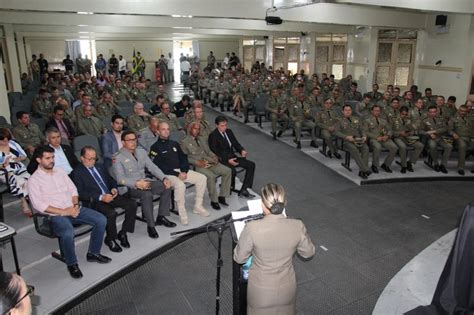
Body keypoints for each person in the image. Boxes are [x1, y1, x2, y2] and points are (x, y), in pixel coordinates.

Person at [28, 145, 110, 279]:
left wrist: (75, 205)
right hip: (55, 215)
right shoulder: (34, 180)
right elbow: (39, 205)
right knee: (68, 232)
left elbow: (73, 190)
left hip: (73, 208)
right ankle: (72, 264)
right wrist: (64, 211)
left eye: (53, 157)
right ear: (38, 160)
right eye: (48, 158)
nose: (51, 160)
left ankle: (93, 253)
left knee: (101, 219)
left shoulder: (60, 172)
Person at [233, 183, 315, 315]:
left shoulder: (252, 227)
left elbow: (239, 257)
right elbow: (308, 252)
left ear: (262, 204)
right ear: (285, 202)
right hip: (287, 288)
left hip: (260, 291)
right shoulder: (297, 225)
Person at [72, 146, 138, 253]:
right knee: (111, 213)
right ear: (82, 158)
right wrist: (101, 197)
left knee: (132, 204)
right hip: (95, 201)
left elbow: (110, 179)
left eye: (94, 158)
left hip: (110, 195)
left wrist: (113, 188)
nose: (93, 161)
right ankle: (110, 239)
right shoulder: (77, 173)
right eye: (90, 159)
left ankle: (123, 232)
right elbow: (80, 193)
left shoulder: (100, 166)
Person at [112, 130, 174, 238]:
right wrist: (136, 183)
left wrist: (164, 178)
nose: (133, 142)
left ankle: (161, 217)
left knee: (166, 186)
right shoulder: (118, 157)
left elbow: (152, 167)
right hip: (130, 187)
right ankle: (151, 226)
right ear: (123, 142)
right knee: (147, 195)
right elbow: (120, 179)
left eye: (134, 139)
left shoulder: (141, 152)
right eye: (130, 140)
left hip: (145, 182)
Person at [150, 122, 209, 225]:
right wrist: (177, 174)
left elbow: (183, 158)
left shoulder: (174, 143)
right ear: (158, 131)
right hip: (167, 175)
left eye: (168, 129)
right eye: (163, 129)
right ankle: (182, 212)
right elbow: (159, 167)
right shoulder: (155, 147)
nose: (166, 131)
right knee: (180, 185)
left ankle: (198, 206)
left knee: (202, 178)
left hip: (181, 171)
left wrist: (184, 171)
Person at [180, 122, 232, 210]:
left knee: (227, 171)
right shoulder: (184, 142)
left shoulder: (201, 139)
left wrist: (214, 156)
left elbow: (208, 151)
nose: (197, 131)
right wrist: (195, 162)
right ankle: (214, 200)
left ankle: (222, 196)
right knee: (211, 177)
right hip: (198, 165)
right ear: (190, 129)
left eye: (198, 129)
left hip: (208, 161)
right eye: (195, 128)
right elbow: (184, 158)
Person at [208, 116, 256, 198]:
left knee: (251, 165)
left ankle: (244, 189)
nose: (224, 127)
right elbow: (215, 152)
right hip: (222, 159)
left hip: (232, 157)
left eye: (225, 125)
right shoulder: (213, 136)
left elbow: (236, 143)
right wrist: (228, 160)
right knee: (232, 171)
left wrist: (241, 150)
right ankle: (229, 187)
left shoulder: (229, 132)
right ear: (216, 125)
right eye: (222, 126)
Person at [0, 128, 31, 216]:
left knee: (31, 179)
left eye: (7, 139)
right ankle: (24, 202)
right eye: (3, 140)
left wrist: (18, 158)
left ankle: (29, 198)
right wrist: (3, 165)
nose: (6, 142)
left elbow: (24, 155)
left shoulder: (13, 143)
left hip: (19, 168)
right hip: (4, 172)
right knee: (19, 181)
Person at [334, 104, 371, 179]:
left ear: (351, 111)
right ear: (342, 111)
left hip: (358, 140)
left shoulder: (356, 119)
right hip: (346, 142)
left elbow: (362, 129)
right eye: (346, 110)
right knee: (354, 149)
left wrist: (364, 136)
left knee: (366, 148)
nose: (348, 112)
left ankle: (362, 171)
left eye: (349, 110)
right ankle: (365, 170)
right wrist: (346, 137)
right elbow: (336, 132)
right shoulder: (339, 120)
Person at [363, 105, 398, 173]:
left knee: (394, 147)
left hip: (384, 138)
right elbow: (366, 132)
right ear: (372, 111)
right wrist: (376, 137)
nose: (377, 112)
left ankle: (386, 164)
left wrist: (387, 136)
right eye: (376, 111)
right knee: (378, 147)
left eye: (379, 111)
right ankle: (374, 165)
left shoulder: (383, 121)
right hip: (374, 139)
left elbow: (390, 130)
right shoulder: (367, 121)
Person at [420, 105, 452, 173]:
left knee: (449, 146)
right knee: (432, 146)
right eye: (431, 112)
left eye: (434, 112)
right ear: (428, 112)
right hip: (430, 139)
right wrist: (429, 133)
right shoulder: (424, 120)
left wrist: (434, 131)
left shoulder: (441, 119)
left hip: (440, 138)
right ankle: (436, 163)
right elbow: (420, 131)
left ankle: (443, 165)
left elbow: (445, 128)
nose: (432, 113)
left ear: (436, 112)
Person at [392, 106, 424, 173]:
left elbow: (412, 129)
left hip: (407, 137)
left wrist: (411, 132)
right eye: (402, 114)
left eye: (406, 114)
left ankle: (410, 162)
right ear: (399, 113)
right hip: (397, 137)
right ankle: (404, 165)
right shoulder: (393, 119)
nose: (404, 116)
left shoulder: (408, 120)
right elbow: (390, 131)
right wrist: (400, 133)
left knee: (420, 145)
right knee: (403, 147)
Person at [448, 105, 474, 175]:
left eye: (464, 111)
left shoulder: (470, 119)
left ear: (467, 112)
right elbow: (449, 130)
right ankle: (461, 167)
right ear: (458, 111)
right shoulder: (453, 119)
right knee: (463, 146)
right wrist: (453, 134)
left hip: (470, 138)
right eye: (461, 111)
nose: (463, 112)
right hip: (459, 138)